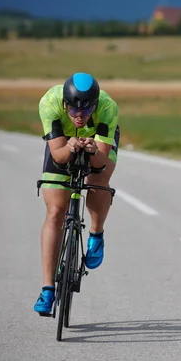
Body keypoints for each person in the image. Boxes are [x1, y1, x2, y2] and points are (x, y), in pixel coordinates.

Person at [33, 72, 120, 315]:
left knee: (98, 180)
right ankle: (47, 289)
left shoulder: (107, 108)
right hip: (62, 143)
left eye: (86, 110)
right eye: (73, 110)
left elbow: (101, 163)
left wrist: (92, 151)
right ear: (64, 104)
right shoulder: (49, 103)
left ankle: (96, 233)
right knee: (55, 212)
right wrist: (70, 146)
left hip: (97, 144)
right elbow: (59, 156)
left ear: (96, 104)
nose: (79, 116)